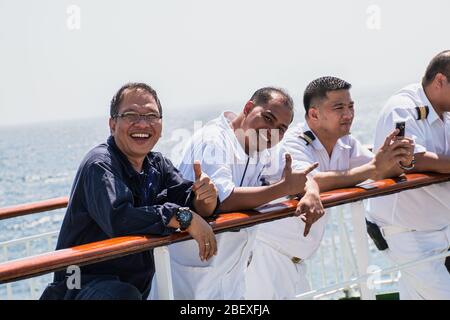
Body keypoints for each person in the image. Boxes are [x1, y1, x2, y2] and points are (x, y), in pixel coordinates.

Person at [40, 83, 218, 300]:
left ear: (161, 125)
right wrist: (182, 217)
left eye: (152, 115)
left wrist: (205, 198)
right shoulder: (100, 164)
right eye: (131, 114)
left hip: (130, 289)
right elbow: (120, 218)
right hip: (79, 285)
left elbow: (190, 201)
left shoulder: (157, 164)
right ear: (112, 124)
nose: (142, 123)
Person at [245, 76, 414, 299]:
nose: (348, 115)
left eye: (351, 106)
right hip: (264, 256)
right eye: (339, 108)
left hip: (295, 261)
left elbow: (378, 170)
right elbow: (305, 180)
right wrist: (373, 167)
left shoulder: (347, 143)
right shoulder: (294, 141)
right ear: (314, 114)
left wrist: (401, 160)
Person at [151, 87, 322, 299]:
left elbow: (298, 173)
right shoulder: (214, 140)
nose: (272, 131)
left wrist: (311, 192)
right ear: (249, 107)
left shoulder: (263, 147)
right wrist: (283, 189)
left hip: (231, 276)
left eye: (281, 128)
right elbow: (224, 199)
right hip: (192, 276)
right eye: (268, 118)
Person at [367, 50, 450, 299]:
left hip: (438, 229)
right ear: (440, 81)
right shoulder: (403, 109)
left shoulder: (445, 112)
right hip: (407, 232)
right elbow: (410, 160)